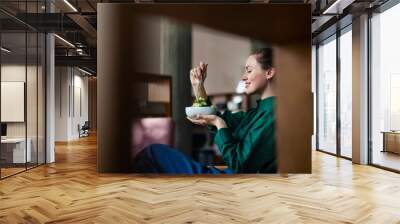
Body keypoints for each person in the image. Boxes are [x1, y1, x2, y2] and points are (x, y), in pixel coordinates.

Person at [132, 48, 277, 174]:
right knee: (153, 156)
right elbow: (214, 117)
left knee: (153, 154)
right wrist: (198, 87)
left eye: (249, 70)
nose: (243, 76)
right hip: (228, 175)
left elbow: (238, 164)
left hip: (234, 183)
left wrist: (219, 124)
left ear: (269, 72)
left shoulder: (272, 114)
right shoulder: (256, 112)